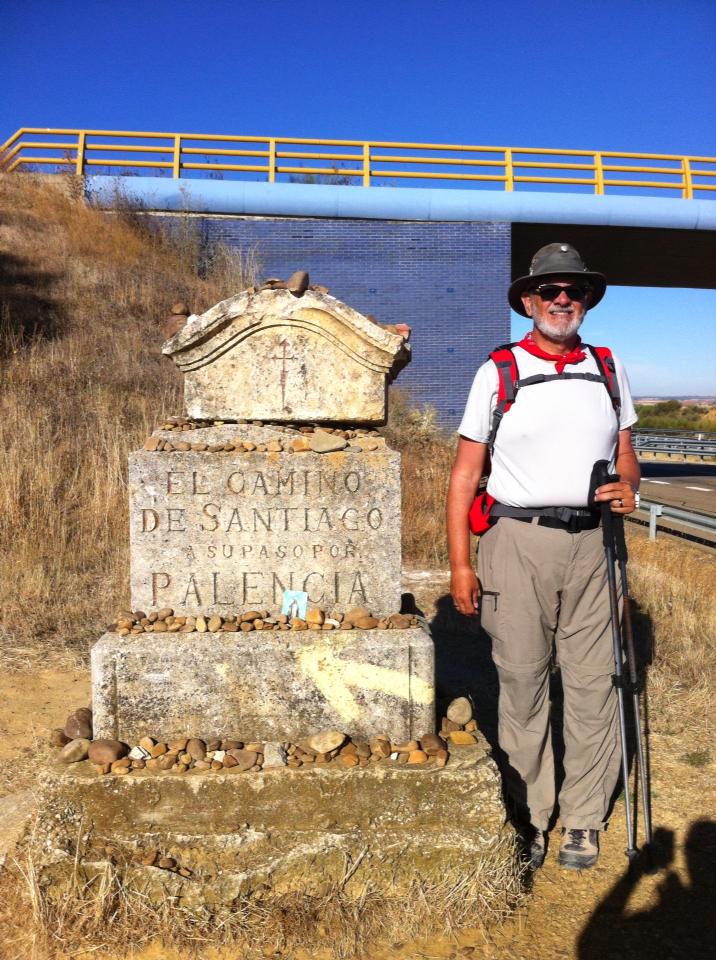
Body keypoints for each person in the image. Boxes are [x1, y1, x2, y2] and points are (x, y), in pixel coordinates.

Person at [446, 242, 640, 870]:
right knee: (524, 685)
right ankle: (530, 816)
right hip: (516, 544)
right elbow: (463, 475)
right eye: (550, 291)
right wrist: (460, 564)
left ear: (586, 301)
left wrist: (628, 485)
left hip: (595, 545)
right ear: (529, 301)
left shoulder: (608, 368)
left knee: (594, 686)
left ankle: (583, 818)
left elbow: (627, 450)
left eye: (574, 291)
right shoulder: (497, 371)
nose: (563, 300)